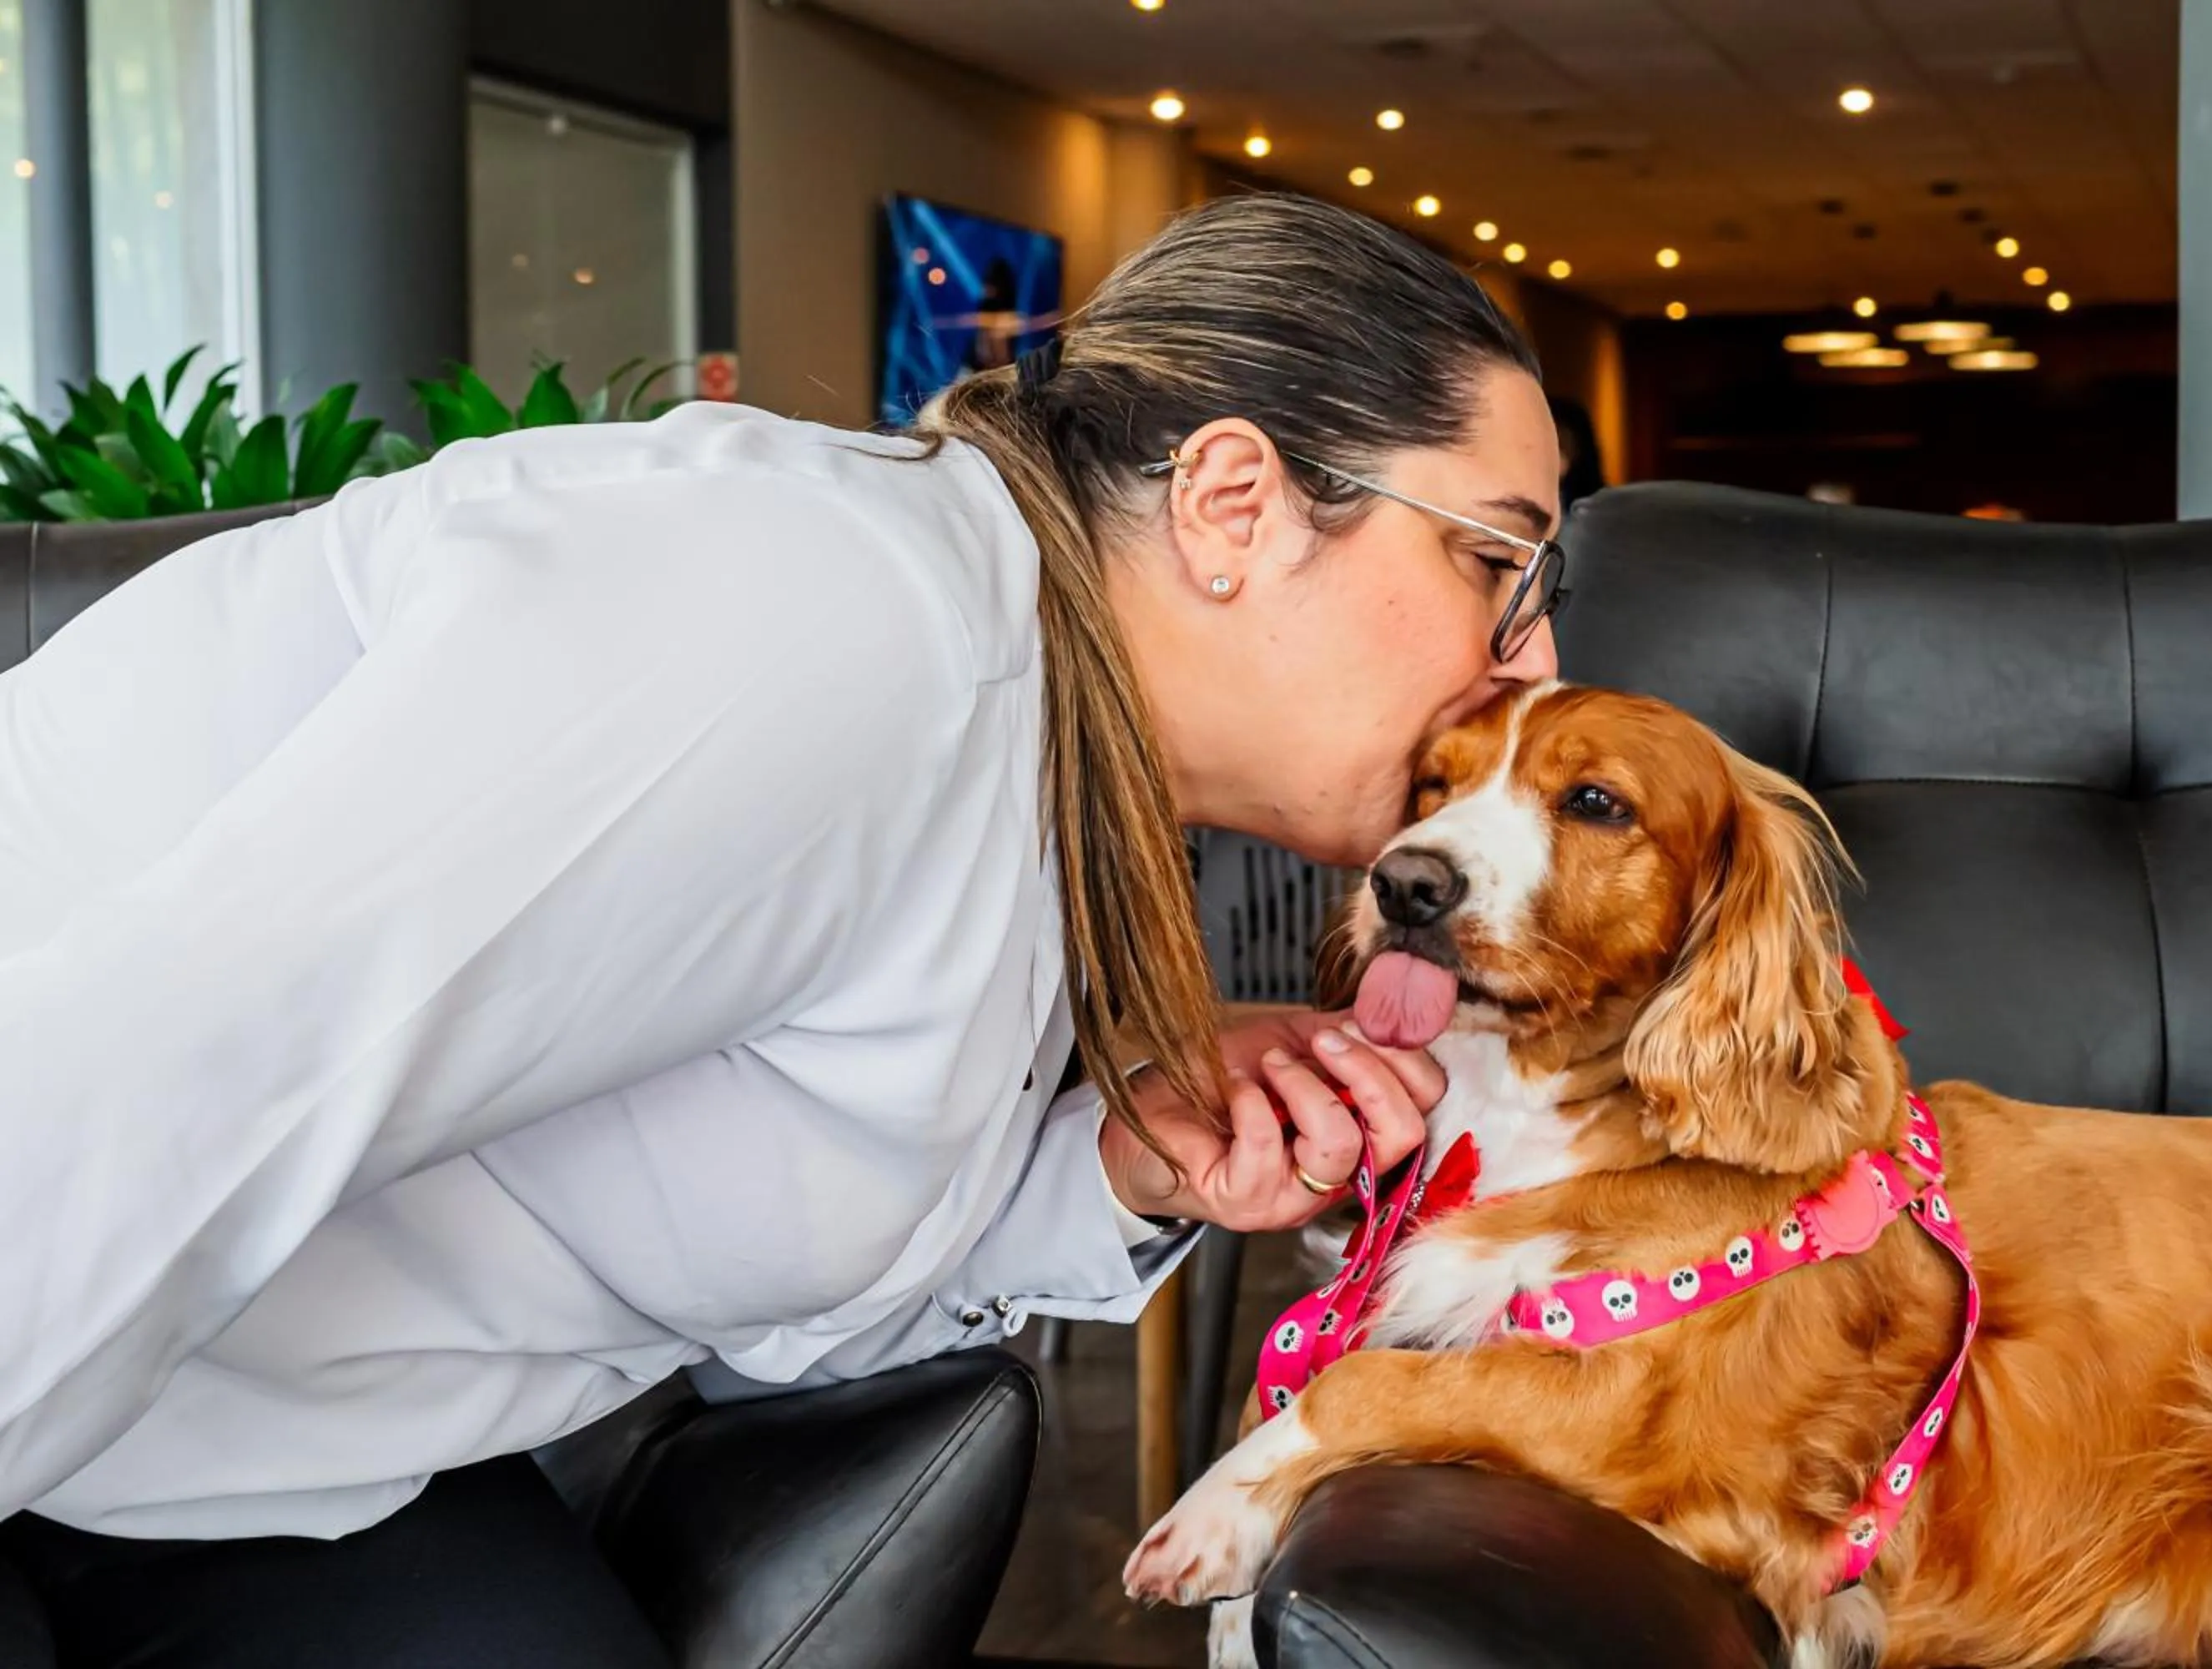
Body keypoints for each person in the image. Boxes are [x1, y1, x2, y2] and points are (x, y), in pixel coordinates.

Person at [0, 192, 1565, 1664]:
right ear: (1236, 503)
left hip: (260, 1450)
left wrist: (1113, 1153)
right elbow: (143, 1085)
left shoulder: (1038, 767)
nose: (1537, 658)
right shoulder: (830, 621)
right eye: (1495, 559)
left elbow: (784, 1296)